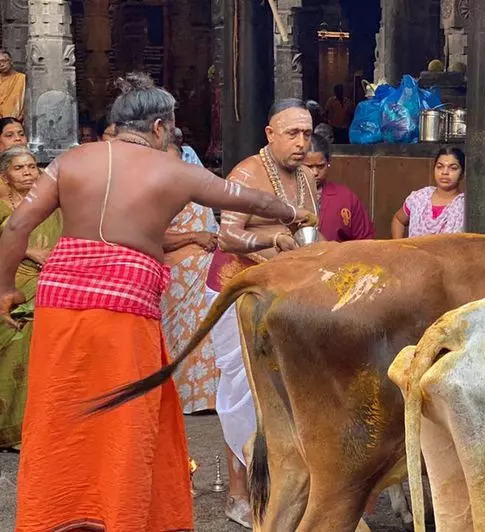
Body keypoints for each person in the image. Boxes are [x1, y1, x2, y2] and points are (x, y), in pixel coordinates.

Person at [0, 72, 316, 532]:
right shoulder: (175, 170)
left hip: (59, 301)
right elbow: (242, 197)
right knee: (128, 418)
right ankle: (119, 516)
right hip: (125, 307)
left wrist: (6, 288)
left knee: (59, 411)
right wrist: (294, 213)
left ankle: (59, 516)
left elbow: (16, 227)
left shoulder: (70, 161)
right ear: (161, 128)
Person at [205, 98, 321, 527]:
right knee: (242, 391)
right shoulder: (247, 173)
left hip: (284, 292)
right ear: (270, 134)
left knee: (284, 392)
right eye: (292, 133)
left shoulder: (307, 176)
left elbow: (309, 229)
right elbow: (227, 234)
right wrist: (272, 243)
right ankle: (239, 492)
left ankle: (281, 485)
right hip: (238, 290)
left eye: (307, 133)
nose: (301, 141)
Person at [0, 147, 61, 450]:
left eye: (31, 166)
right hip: (11, 286)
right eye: (18, 168)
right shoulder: (0, 207)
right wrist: (26, 249)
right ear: (5, 176)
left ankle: (42, 426)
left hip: (49, 285)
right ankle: (12, 429)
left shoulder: (52, 207)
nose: (26, 172)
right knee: (18, 340)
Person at [162, 128, 221, 413]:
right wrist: (193, 237)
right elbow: (151, 235)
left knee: (206, 331)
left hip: (203, 270)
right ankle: (179, 398)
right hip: (172, 275)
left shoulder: (192, 185)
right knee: (176, 337)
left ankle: (206, 400)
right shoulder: (153, 192)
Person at [304, 133, 374, 241]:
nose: (315, 172)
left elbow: (365, 240)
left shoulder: (345, 198)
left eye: (320, 166)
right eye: (309, 167)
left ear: (328, 163)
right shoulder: (284, 194)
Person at [391, 147, 466, 238]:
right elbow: (398, 220)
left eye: (453, 168)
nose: (445, 172)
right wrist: (400, 248)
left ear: (462, 174)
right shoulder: (419, 198)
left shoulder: (465, 206)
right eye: (439, 167)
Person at [0, 50, 26, 121]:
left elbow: (27, 101)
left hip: (16, 120)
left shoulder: (22, 78)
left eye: (4, 61)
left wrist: (22, 116)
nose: (1, 65)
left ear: (11, 61)